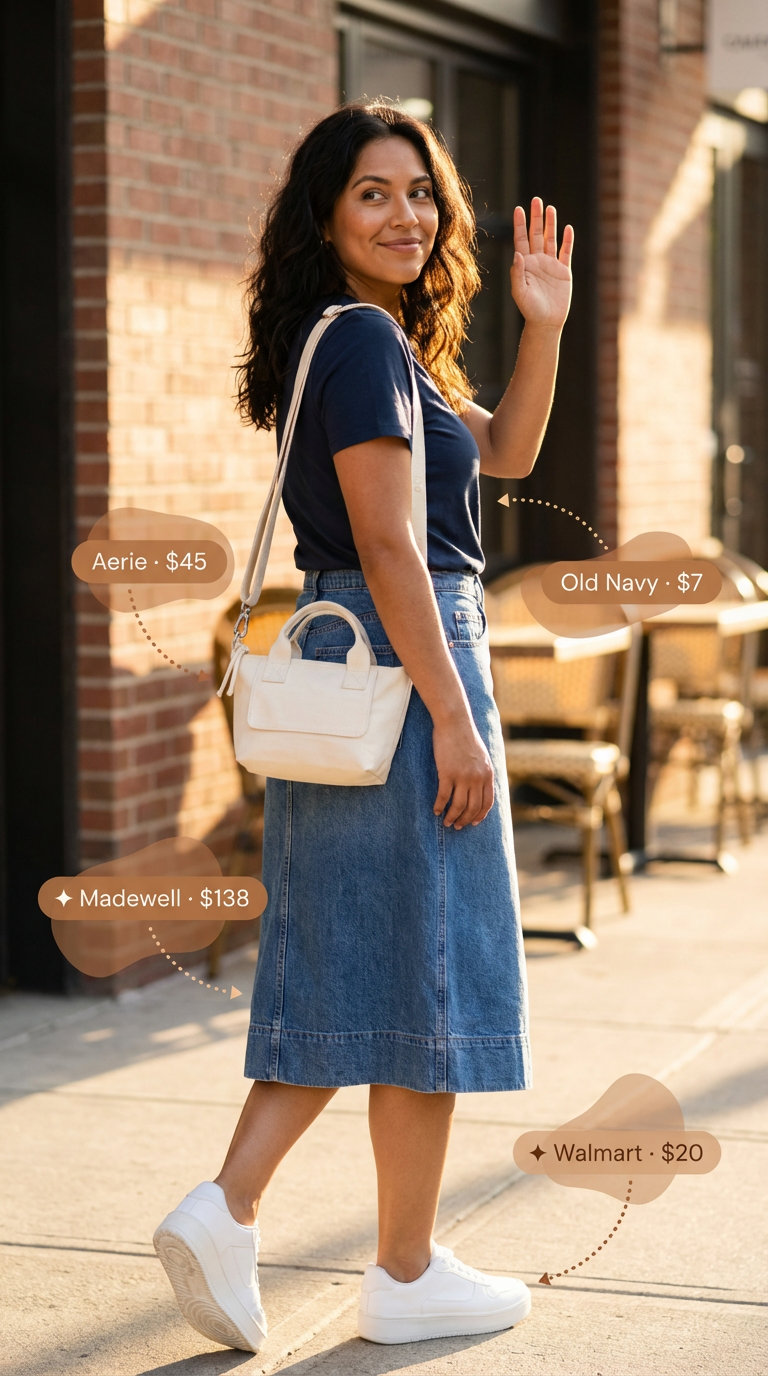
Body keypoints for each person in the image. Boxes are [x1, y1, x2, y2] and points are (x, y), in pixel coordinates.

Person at [153, 100, 573, 1352]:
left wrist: (539, 323)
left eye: (420, 194)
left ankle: (305, 1233)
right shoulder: (360, 349)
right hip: (410, 661)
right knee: (431, 968)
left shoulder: (386, 346)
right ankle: (354, 1250)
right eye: (374, 194)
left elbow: (509, 450)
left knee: (366, 959)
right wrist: (454, 718)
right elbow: (392, 543)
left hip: (368, 664)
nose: (405, 215)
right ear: (326, 216)